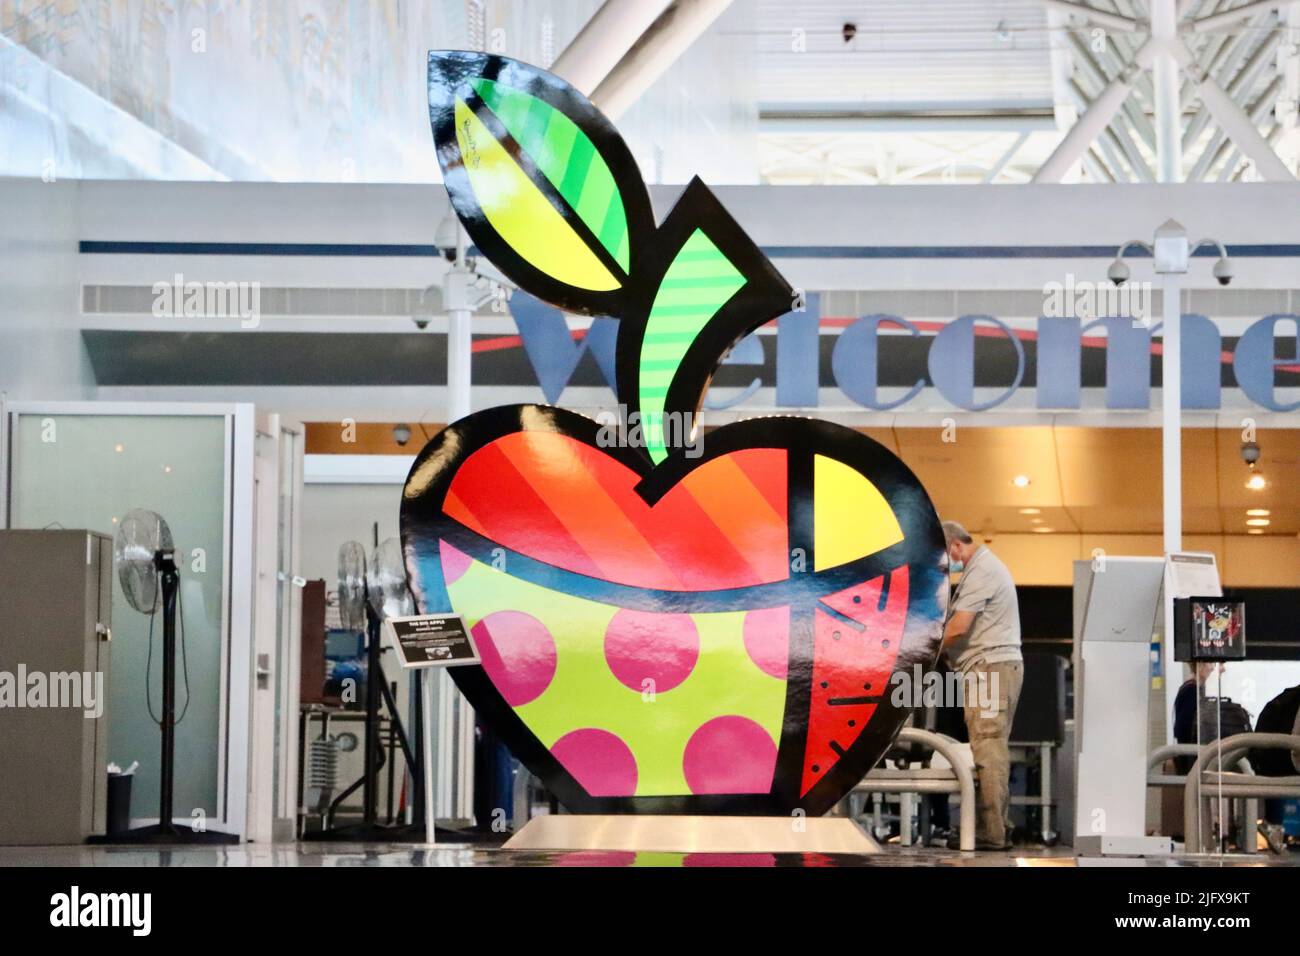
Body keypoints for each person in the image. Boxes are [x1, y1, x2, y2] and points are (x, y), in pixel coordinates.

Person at [940, 521, 1023, 850]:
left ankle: (991, 833)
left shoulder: (981, 571)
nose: (947, 567)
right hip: (990, 668)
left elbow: (958, 628)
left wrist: (922, 648)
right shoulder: (982, 569)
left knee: (988, 750)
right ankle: (999, 826)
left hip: (989, 670)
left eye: (946, 559)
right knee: (992, 748)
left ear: (956, 547)